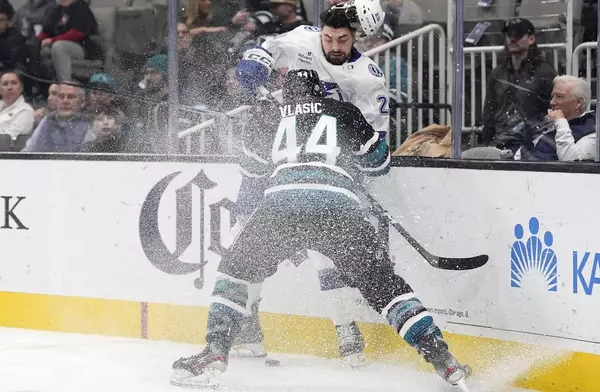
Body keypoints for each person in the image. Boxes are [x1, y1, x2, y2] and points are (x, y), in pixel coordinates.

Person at [170, 69, 471, 390]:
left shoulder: (266, 116)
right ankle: (444, 361)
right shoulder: (343, 111)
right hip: (339, 209)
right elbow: (380, 163)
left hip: (281, 209)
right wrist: (349, 166)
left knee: (235, 274)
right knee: (385, 287)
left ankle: (215, 353)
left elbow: (251, 171)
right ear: (321, 92)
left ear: (286, 94)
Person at [229, 0, 391, 364]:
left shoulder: (368, 78)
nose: (334, 47)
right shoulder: (302, 37)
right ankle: (248, 327)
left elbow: (374, 141)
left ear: (355, 40)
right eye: (330, 39)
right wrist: (256, 59)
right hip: (278, 154)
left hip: (326, 165)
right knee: (247, 237)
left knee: (325, 244)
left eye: (343, 41)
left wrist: (350, 165)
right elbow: (268, 47)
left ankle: (346, 327)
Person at [481, 18, 556, 153]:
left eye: (518, 35)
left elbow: (554, 108)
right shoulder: (498, 73)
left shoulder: (545, 72)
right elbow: (489, 111)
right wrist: (487, 142)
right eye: (509, 35)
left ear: (532, 39)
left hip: (532, 146)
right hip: (500, 144)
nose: (512, 39)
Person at [0, 71, 35, 141]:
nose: (9, 87)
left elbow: (7, 139)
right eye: (5, 84)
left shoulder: (26, 110)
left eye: (14, 83)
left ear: (21, 88)